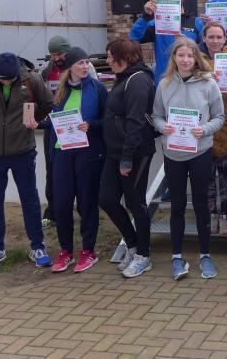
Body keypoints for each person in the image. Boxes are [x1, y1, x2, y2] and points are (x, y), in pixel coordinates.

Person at [0, 52, 54, 271]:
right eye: (2, 79)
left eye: (10, 79)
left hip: (23, 151)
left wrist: (34, 120)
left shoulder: (31, 80)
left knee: (29, 198)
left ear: (17, 74)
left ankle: (37, 246)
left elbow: (47, 104)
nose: (6, 82)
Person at [152, 37, 225, 281]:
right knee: (177, 206)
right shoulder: (164, 84)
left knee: (202, 205)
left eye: (190, 56)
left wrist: (203, 129)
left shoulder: (208, 83)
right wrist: (163, 127)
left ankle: (205, 255)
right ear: (173, 58)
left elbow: (219, 117)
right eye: (180, 55)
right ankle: (176, 256)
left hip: (200, 152)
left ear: (196, 58)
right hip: (173, 153)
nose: (185, 60)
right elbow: (156, 115)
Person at [98, 39, 157, 279]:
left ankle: (143, 255)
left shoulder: (138, 80)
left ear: (123, 57)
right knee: (106, 199)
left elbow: (135, 121)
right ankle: (132, 245)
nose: (107, 60)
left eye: (110, 56)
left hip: (134, 153)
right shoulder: (123, 78)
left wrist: (127, 158)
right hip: (114, 152)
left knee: (136, 203)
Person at [48, 47, 107, 273]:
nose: (85, 66)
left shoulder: (97, 88)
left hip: (87, 153)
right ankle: (66, 251)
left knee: (87, 203)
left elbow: (108, 120)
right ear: (70, 67)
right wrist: (39, 123)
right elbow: (56, 120)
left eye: (87, 62)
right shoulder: (60, 90)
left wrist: (92, 125)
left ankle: (88, 251)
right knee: (62, 204)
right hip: (62, 152)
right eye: (80, 63)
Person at [38, 35, 98, 229]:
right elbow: (41, 95)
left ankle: (84, 210)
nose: (56, 58)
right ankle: (53, 211)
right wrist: (41, 119)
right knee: (52, 169)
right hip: (55, 126)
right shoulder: (46, 69)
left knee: (81, 174)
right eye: (52, 55)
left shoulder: (85, 67)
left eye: (59, 54)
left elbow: (94, 92)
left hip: (79, 128)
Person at [200, 22, 227, 236]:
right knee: (207, 176)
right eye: (211, 37)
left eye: (219, 37)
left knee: (226, 175)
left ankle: (225, 215)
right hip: (205, 125)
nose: (215, 41)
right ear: (204, 38)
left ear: (225, 38)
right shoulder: (196, 61)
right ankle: (211, 215)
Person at [129, 0, 204, 84]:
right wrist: (145, 16)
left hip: (190, 80)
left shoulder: (197, 22)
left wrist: (187, 43)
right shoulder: (156, 23)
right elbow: (134, 38)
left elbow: (203, 52)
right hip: (164, 80)